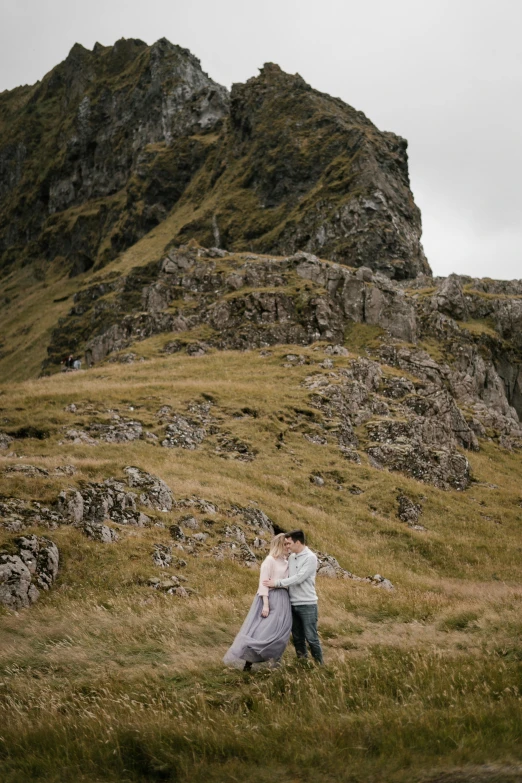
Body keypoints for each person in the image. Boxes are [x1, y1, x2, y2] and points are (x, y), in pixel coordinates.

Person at [224, 533, 292, 670]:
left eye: (289, 544)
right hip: (270, 599)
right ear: (279, 545)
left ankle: (275, 663)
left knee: (280, 633)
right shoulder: (269, 561)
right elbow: (263, 583)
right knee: (262, 632)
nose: (288, 547)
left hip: (284, 601)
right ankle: (248, 663)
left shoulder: (287, 563)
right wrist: (265, 604)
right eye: (285, 544)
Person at [263, 529, 323, 664]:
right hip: (292, 603)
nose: (287, 546)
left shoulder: (310, 557)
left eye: (289, 543)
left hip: (307, 604)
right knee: (297, 638)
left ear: (298, 542)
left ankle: (320, 665)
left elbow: (299, 578)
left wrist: (277, 583)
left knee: (311, 637)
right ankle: (303, 663)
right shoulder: (291, 557)